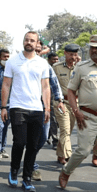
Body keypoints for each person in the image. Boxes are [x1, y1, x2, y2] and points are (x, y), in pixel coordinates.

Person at [59, 35, 97, 192]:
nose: (94, 51)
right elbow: (71, 91)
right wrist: (76, 111)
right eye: (92, 48)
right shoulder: (82, 68)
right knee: (83, 150)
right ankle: (66, 171)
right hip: (87, 117)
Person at [1, 31, 50, 192]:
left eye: (33, 40)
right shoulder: (13, 61)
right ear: (23, 41)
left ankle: (27, 178)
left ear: (37, 44)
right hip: (17, 107)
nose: (29, 42)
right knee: (20, 142)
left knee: (32, 145)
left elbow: (45, 87)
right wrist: (3, 107)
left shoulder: (42, 63)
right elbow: (6, 85)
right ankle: (14, 171)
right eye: (27, 40)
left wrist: (47, 108)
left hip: (36, 108)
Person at [32, 42, 65, 181]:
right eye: (35, 48)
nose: (38, 50)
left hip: (44, 105)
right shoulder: (19, 63)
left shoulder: (44, 65)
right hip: (26, 106)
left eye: (40, 48)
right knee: (27, 138)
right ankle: (31, 166)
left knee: (44, 136)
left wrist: (59, 99)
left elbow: (54, 82)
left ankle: (30, 156)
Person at [52, 44, 79, 165]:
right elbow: (51, 85)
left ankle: (60, 154)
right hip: (61, 102)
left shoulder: (80, 67)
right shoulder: (56, 67)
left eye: (75, 54)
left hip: (75, 103)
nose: (73, 57)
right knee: (65, 129)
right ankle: (68, 155)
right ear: (65, 54)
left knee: (69, 129)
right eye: (71, 54)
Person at [47, 52, 59, 150]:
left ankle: (52, 137)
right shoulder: (45, 69)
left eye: (57, 59)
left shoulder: (59, 69)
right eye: (53, 60)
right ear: (49, 60)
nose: (55, 61)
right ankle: (53, 138)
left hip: (57, 99)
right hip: (47, 99)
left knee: (55, 120)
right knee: (51, 119)